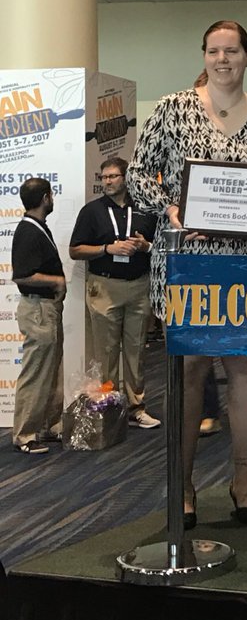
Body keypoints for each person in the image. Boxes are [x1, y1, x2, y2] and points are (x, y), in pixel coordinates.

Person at [127, 20, 247, 527]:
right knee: (188, 369)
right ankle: (183, 486)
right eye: (214, 51)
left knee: (245, 370)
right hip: (186, 262)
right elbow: (137, 176)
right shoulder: (172, 109)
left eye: (233, 51)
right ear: (204, 56)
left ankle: (244, 481)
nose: (223, 59)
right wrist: (173, 210)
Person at [69, 156, 161, 430]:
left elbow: (160, 247)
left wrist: (145, 246)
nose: (107, 181)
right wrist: (107, 249)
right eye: (104, 177)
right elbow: (76, 250)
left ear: (126, 178)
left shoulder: (145, 209)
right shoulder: (92, 211)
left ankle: (136, 407)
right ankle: (110, 408)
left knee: (136, 351)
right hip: (104, 287)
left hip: (138, 285)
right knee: (106, 351)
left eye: (113, 177)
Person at [10, 177, 66, 455]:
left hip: (46, 309)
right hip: (38, 310)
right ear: (46, 198)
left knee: (51, 371)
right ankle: (25, 435)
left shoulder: (37, 228)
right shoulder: (28, 232)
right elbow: (23, 275)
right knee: (36, 373)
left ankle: (48, 425)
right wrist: (55, 281)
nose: (53, 199)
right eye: (52, 195)